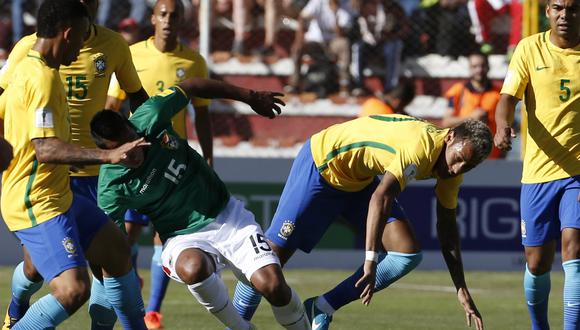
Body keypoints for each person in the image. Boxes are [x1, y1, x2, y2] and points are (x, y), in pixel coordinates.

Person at [231, 114, 489, 329]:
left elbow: (447, 227)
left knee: (406, 254)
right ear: (451, 136)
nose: (457, 169)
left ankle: (321, 307)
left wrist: (461, 288)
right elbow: (381, 197)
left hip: (358, 182)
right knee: (268, 261)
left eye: (468, 166)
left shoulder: (452, 173)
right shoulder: (421, 146)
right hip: (322, 166)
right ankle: (236, 324)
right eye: (458, 158)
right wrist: (370, 260)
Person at [92, 78, 311, 330]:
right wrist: (120, 285)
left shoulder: (150, 115)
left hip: (227, 216)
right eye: (122, 152)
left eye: (132, 139)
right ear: (108, 153)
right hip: (180, 237)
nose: (132, 151)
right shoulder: (111, 186)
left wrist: (250, 97)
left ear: (130, 126)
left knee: (273, 286)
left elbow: (192, 87)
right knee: (193, 267)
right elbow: (111, 246)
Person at [0, 0, 150, 328]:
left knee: (117, 252)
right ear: (67, 34)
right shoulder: (41, 77)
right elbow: (46, 149)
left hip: (62, 193)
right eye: (81, 37)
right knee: (73, 290)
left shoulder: (41, 70)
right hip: (36, 199)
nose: (84, 45)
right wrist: (109, 154)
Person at [106, 0, 214, 328]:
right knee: (124, 239)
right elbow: (113, 105)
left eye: (174, 16)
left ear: (182, 20)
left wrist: (208, 159)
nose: (168, 21)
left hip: (172, 164)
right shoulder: (132, 55)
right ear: (152, 17)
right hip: (136, 163)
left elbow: (203, 115)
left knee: (164, 238)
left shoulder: (194, 61)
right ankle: (129, 290)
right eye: (163, 14)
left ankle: (152, 311)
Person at [494, 0, 580, 328]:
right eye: (558, 8)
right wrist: (502, 126)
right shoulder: (529, 48)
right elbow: (507, 99)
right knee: (537, 262)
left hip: (577, 173)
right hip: (537, 174)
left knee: (574, 251)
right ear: (547, 11)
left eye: (573, 9)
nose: (565, 15)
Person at [442, 51, 503, 159]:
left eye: (482, 66)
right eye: (474, 66)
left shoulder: (499, 93)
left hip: (492, 155)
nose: (479, 70)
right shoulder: (458, 91)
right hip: (464, 155)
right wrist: (471, 118)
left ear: (488, 67)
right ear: (469, 68)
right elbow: (446, 122)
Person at [287, 0, 353, 95]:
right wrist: (299, 41)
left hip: (333, 42)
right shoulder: (318, 2)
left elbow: (341, 34)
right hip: (315, 42)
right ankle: (294, 84)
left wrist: (335, 13)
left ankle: (344, 84)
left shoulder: (346, 5)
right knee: (298, 48)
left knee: (344, 44)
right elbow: (302, 17)